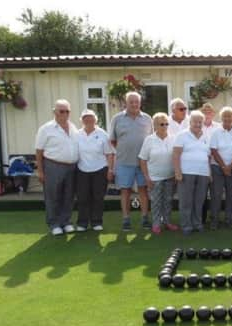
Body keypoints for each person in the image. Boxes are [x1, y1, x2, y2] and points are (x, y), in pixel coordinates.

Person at [109, 91, 153, 231]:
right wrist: (126, 149)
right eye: (131, 102)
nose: (134, 104)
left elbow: (152, 140)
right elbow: (113, 140)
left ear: (140, 103)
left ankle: (145, 218)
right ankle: (126, 219)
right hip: (124, 162)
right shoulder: (117, 119)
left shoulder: (147, 119)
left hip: (143, 163)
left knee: (143, 191)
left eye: (136, 102)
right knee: (125, 191)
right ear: (125, 103)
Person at [35, 99, 79, 235]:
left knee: (68, 196)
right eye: (61, 111)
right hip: (53, 166)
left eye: (67, 111)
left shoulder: (73, 127)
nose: (65, 114)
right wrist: (40, 171)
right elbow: (39, 151)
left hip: (72, 167)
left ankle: (66, 222)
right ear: (54, 112)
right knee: (53, 196)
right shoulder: (45, 129)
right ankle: (54, 224)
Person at [139, 113, 179, 234]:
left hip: (170, 176)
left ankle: (167, 222)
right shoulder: (149, 140)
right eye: (162, 124)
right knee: (156, 202)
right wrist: (147, 177)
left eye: (167, 123)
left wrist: (177, 173)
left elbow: (177, 157)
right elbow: (142, 159)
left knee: (168, 200)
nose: (165, 126)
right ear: (155, 125)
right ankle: (156, 224)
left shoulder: (173, 138)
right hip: (154, 177)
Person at [75, 109, 114, 232]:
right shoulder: (77, 134)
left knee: (98, 197)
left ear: (95, 120)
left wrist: (110, 170)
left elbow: (109, 154)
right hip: (81, 170)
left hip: (100, 170)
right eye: (85, 118)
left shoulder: (103, 134)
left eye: (91, 118)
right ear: (82, 120)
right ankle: (82, 223)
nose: (88, 120)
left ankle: (97, 222)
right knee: (82, 198)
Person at [173, 111, 211, 235]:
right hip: (186, 172)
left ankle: (197, 223)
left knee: (199, 201)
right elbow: (176, 154)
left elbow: (208, 156)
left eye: (200, 122)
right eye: (195, 121)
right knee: (186, 201)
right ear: (190, 122)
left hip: (203, 173)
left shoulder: (206, 136)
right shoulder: (182, 135)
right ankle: (186, 225)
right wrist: (177, 171)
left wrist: (209, 172)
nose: (198, 124)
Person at [209, 107, 232, 229]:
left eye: (229, 116)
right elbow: (214, 150)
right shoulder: (216, 133)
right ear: (221, 118)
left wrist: (230, 166)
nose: (227, 118)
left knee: (231, 195)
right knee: (216, 194)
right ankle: (214, 220)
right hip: (217, 167)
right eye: (225, 116)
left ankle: (229, 220)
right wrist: (223, 166)